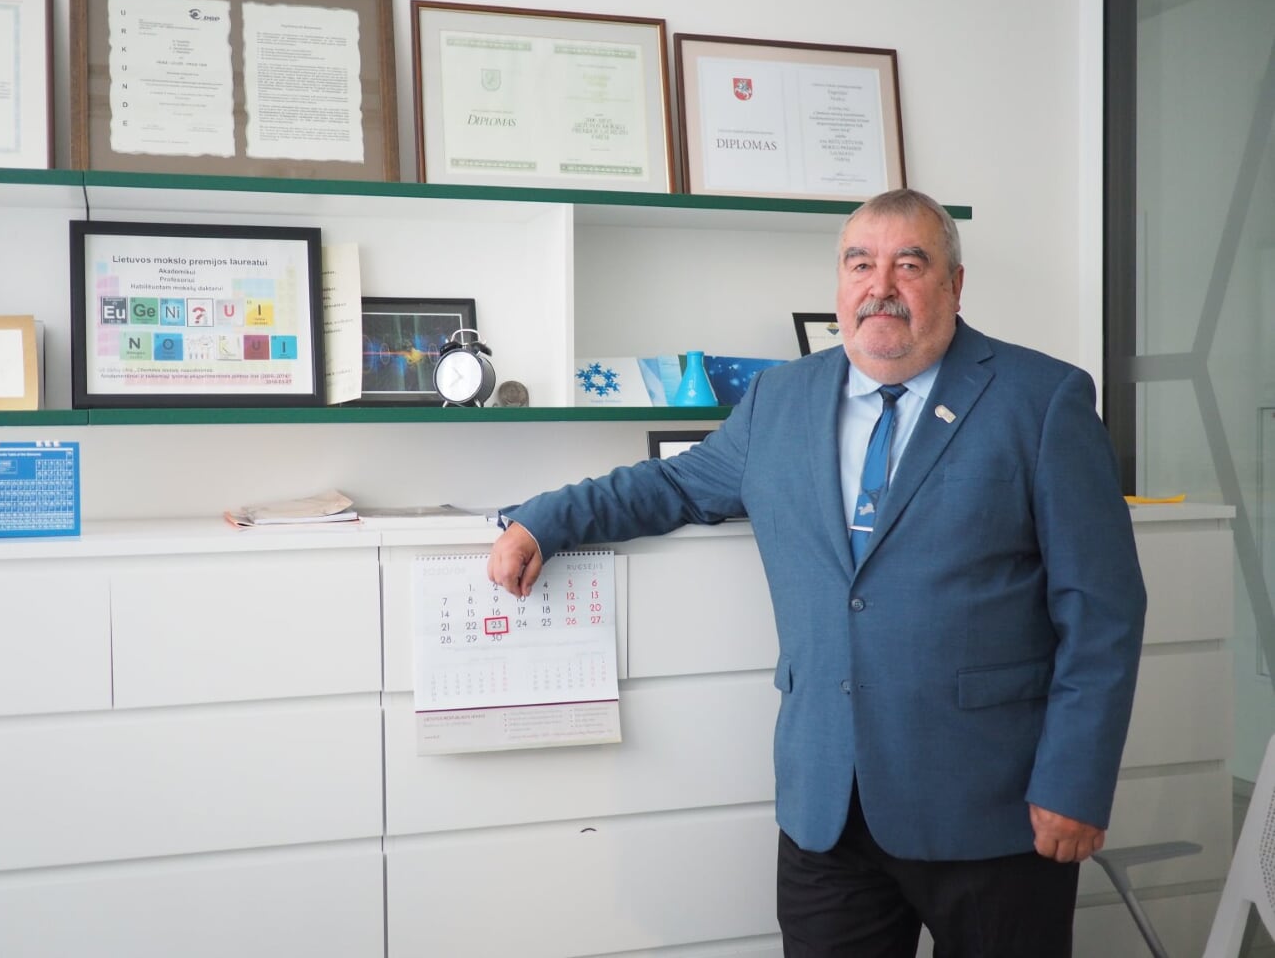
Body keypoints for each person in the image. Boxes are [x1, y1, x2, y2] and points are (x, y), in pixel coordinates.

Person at [487, 188, 1147, 957]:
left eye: (909, 264)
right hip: (829, 807)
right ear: (840, 283)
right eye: (860, 264)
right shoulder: (779, 399)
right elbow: (672, 484)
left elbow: (1102, 609)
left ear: (954, 284)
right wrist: (545, 518)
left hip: (992, 808)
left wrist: (1075, 781)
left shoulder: (1042, 399)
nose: (881, 285)